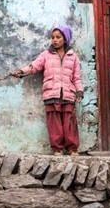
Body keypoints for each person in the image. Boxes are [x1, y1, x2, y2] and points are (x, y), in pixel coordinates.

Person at [12, 25, 84, 156]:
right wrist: (22, 72)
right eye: (53, 38)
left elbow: (77, 77)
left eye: (58, 37)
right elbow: (34, 66)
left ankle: (72, 149)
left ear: (65, 39)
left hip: (68, 94)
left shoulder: (73, 57)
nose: (55, 40)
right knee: (54, 123)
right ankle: (57, 149)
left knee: (69, 122)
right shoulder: (46, 55)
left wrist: (79, 90)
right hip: (51, 93)